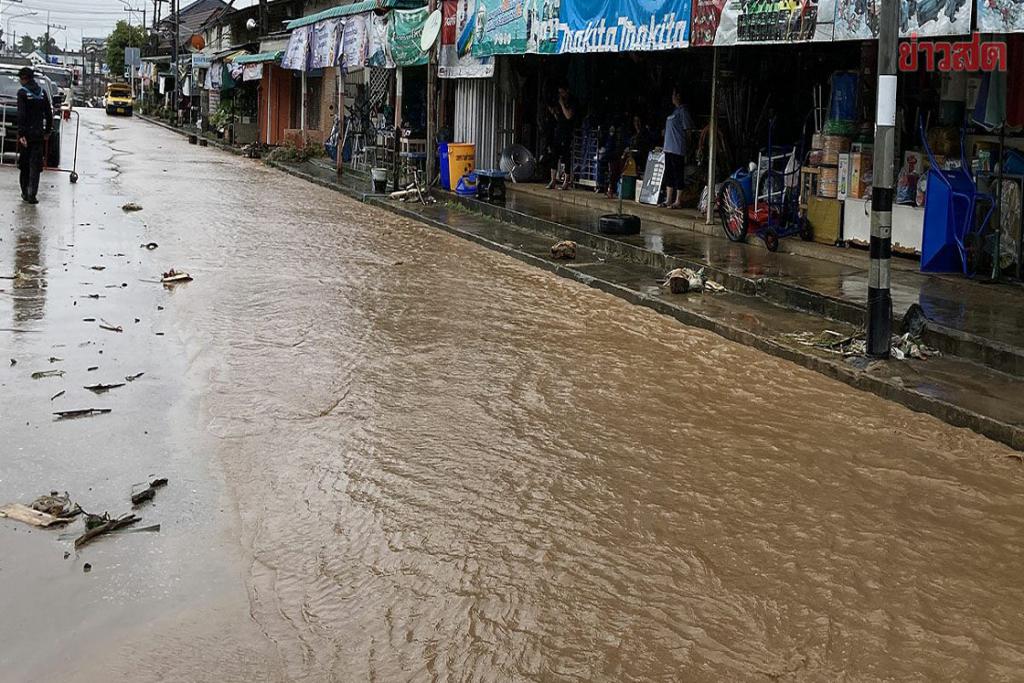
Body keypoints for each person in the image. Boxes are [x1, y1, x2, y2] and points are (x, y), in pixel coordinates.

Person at [17, 67, 52, 205]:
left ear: (24, 78)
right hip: (38, 135)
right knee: (35, 166)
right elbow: (49, 114)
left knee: (24, 165)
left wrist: (21, 133)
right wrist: (47, 131)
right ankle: (33, 194)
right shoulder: (42, 93)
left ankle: (25, 192)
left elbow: (21, 115)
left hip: (27, 135)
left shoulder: (22, 93)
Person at [660, 87, 693, 210]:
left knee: (678, 174)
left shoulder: (683, 111)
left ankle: (678, 200)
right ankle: (669, 199)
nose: (672, 97)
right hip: (668, 148)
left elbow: (688, 130)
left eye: (674, 94)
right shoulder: (674, 111)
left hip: (677, 148)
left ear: (678, 96)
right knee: (669, 173)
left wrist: (688, 146)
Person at [546, 85, 576, 190]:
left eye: (562, 92)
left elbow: (568, 116)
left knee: (566, 157)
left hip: (567, 133)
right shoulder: (558, 103)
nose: (561, 95)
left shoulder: (571, 102)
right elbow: (558, 116)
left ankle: (566, 182)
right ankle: (553, 180)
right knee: (554, 155)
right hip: (558, 131)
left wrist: (562, 104)